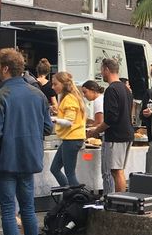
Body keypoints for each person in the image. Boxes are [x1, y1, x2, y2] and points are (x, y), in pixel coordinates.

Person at [0, 48, 52, 235]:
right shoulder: (38, 94)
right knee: (28, 208)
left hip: (6, 158)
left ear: (4, 68)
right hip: (29, 157)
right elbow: (47, 127)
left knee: (7, 210)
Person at [88, 58, 132, 195]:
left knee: (115, 170)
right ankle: (121, 199)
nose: (101, 73)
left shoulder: (111, 90)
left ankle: (120, 201)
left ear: (106, 69)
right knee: (118, 170)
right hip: (126, 133)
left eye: (101, 70)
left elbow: (111, 118)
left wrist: (95, 131)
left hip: (116, 136)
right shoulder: (126, 89)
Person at [49, 71, 86, 188]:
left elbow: (69, 122)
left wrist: (54, 119)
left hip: (72, 138)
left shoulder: (69, 99)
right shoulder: (69, 98)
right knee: (55, 168)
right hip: (70, 139)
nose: (53, 87)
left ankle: (76, 198)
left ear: (63, 84)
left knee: (70, 173)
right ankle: (70, 195)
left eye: (55, 84)